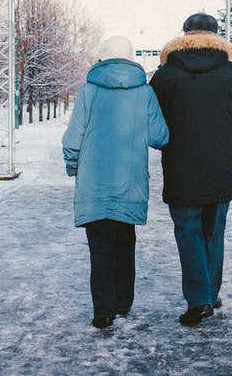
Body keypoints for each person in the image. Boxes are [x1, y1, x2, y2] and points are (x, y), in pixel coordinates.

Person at [149, 13, 232, 327]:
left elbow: (151, 122)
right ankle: (210, 293)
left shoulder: (165, 75)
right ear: (217, 36)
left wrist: (168, 147)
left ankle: (199, 300)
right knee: (214, 232)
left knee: (188, 233)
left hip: (181, 169)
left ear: (184, 35)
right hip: (221, 170)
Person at [62, 35, 169, 330]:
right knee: (125, 243)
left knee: (100, 249)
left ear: (103, 57)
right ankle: (123, 303)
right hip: (130, 183)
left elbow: (73, 139)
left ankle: (103, 311)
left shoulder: (89, 90)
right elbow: (161, 136)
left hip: (94, 185)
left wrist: (74, 167)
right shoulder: (144, 92)